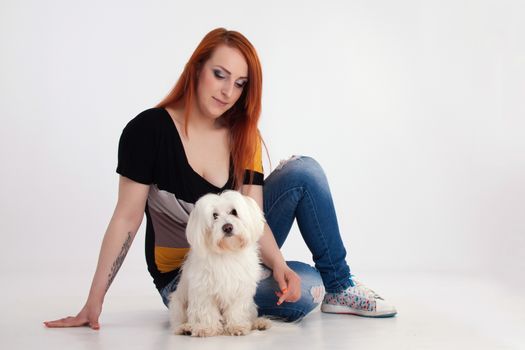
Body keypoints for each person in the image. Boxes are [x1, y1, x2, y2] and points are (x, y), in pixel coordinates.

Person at [44, 27, 397, 330]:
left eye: (240, 83)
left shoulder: (243, 135)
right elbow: (126, 217)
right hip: (186, 277)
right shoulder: (147, 131)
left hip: (238, 259)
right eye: (220, 74)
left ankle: (338, 287)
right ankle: (280, 292)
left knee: (304, 173)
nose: (228, 91)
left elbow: (255, 219)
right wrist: (94, 302)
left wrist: (276, 265)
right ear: (197, 68)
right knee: (304, 291)